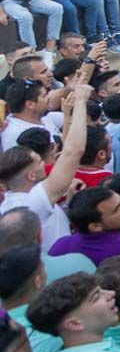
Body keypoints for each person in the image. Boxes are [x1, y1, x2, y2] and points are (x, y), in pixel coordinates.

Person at [0, 88, 88, 250]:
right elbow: (74, 151)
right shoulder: (31, 202)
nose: (44, 165)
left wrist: (67, 204)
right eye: (39, 162)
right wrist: (81, 101)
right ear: (31, 175)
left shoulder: (9, 204)